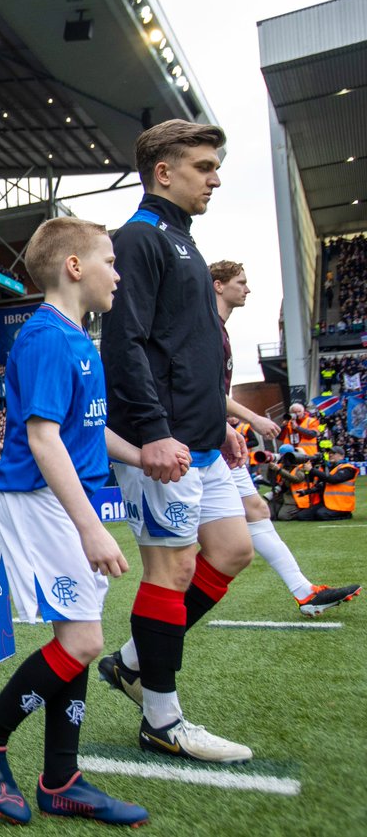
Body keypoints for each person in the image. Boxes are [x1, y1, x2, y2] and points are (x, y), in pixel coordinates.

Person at [0, 217, 148, 826]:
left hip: (69, 499)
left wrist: (143, 455)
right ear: (74, 267)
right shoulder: (44, 338)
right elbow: (42, 440)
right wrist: (89, 526)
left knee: (77, 639)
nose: (117, 273)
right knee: (85, 641)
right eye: (110, 261)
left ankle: (60, 779)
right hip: (41, 500)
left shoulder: (75, 339)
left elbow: (81, 431)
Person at [98, 119, 254, 764]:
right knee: (174, 568)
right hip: (160, 443)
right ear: (164, 172)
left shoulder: (185, 243)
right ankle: (161, 718)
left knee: (233, 551)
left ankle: (134, 662)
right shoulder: (138, 238)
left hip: (200, 440)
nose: (215, 178)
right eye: (203, 166)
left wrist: (219, 425)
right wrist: (156, 434)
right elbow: (124, 343)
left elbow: (188, 354)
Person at [198, 261, 359, 613]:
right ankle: (142, 647)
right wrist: (251, 417)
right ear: (218, 285)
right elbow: (201, 389)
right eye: (241, 282)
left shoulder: (219, 331)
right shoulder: (205, 327)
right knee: (197, 550)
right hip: (199, 443)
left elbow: (210, 391)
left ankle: (305, 592)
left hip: (216, 439)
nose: (248, 288)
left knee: (256, 509)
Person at [298, 445, 359, 522]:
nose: (330, 455)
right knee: (302, 516)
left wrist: (312, 470)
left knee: (321, 514)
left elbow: (333, 479)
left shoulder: (348, 468)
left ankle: (346, 515)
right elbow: (321, 485)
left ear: (341, 456)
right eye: (329, 453)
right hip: (328, 502)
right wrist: (306, 492)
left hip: (341, 504)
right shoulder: (329, 468)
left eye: (333, 453)